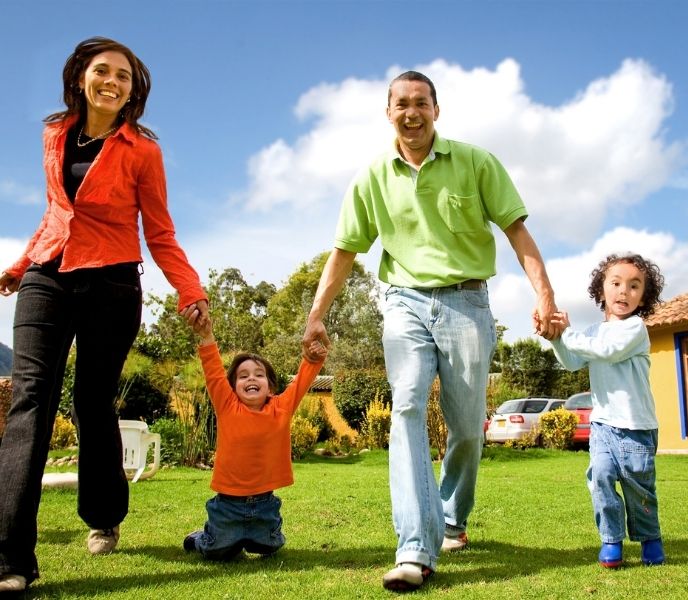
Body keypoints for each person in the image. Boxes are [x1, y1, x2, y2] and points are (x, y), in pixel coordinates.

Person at [302, 71, 557, 592]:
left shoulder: (476, 162)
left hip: (467, 301)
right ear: (388, 111)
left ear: (436, 110)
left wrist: (545, 295)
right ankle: (414, 548)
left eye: (421, 103)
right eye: (401, 104)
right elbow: (345, 251)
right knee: (409, 405)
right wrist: (316, 314)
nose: (411, 112)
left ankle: (451, 517)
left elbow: (516, 230)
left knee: (466, 427)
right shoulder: (372, 177)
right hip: (404, 302)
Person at [0, 37, 208, 593]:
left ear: (133, 90)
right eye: (102, 71)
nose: (112, 81)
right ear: (81, 78)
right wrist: (22, 265)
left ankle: (103, 514)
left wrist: (190, 292)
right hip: (49, 274)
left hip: (112, 282)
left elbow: (160, 232)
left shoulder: (143, 150)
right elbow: (54, 211)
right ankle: (10, 558)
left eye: (123, 75)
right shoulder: (54, 134)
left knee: (92, 403)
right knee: (29, 400)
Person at [547, 253, 666, 569]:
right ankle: (611, 541)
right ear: (601, 291)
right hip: (602, 425)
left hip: (636, 426)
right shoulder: (590, 333)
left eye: (634, 286)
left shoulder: (634, 329)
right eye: (616, 283)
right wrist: (556, 336)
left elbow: (607, 352)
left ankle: (650, 540)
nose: (624, 291)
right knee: (600, 477)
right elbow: (572, 361)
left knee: (638, 488)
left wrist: (568, 333)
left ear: (643, 296)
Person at [180, 309, 327, 560]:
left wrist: (313, 359)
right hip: (228, 506)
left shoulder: (280, 407)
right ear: (233, 387)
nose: (252, 379)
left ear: (270, 386)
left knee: (269, 547)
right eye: (243, 376)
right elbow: (214, 370)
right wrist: (206, 335)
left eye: (259, 375)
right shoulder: (227, 406)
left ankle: (246, 536)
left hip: (265, 505)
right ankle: (201, 538)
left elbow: (301, 381)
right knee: (217, 552)